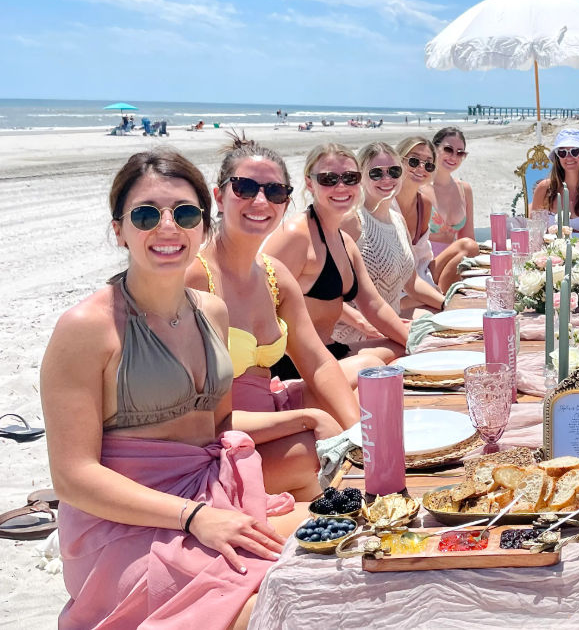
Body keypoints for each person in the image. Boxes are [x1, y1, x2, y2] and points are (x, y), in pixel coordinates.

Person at [42, 149, 295, 630]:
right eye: (145, 214)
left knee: (335, 552)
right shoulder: (86, 328)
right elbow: (72, 476)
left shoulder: (212, 312)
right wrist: (193, 516)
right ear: (119, 230)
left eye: (184, 213)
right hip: (123, 523)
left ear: (203, 224)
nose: (167, 227)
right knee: (269, 608)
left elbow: (218, 427)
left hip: (211, 496)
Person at [185, 135, 362, 501]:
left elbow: (316, 361)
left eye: (275, 191)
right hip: (217, 444)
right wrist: (310, 421)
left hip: (267, 422)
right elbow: (200, 420)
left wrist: (360, 431)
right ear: (219, 197)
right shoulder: (196, 278)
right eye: (245, 188)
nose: (260, 201)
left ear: (286, 201)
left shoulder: (274, 275)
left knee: (372, 400)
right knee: (312, 453)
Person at [263, 143, 408, 369]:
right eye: (329, 179)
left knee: (401, 349)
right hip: (293, 364)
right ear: (310, 183)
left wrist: (415, 343)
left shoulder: (345, 242)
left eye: (350, 178)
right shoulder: (295, 236)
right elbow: (255, 305)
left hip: (330, 351)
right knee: (373, 364)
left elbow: (374, 306)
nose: (341, 187)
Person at [337, 142, 441, 333]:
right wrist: (362, 323)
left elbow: (411, 283)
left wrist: (447, 305)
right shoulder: (352, 221)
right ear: (360, 177)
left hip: (392, 326)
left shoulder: (398, 220)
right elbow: (324, 292)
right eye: (376, 173)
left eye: (393, 171)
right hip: (357, 334)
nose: (387, 179)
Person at [394, 136, 477, 295]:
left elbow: (422, 257)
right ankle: (445, 300)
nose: (421, 167)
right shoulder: (388, 201)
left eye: (460, 152)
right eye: (413, 161)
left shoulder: (423, 202)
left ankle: (445, 296)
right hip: (398, 280)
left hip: (427, 267)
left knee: (470, 246)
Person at [531, 128, 579, 234]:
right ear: (558, 157)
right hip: (550, 250)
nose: (568, 157)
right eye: (562, 152)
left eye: (574, 151)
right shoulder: (544, 189)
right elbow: (533, 233)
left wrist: (567, 232)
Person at [428, 127, 476, 257]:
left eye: (460, 153)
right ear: (434, 149)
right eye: (448, 149)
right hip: (424, 262)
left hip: (453, 262)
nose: (454, 156)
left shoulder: (465, 190)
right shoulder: (420, 188)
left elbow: (468, 238)